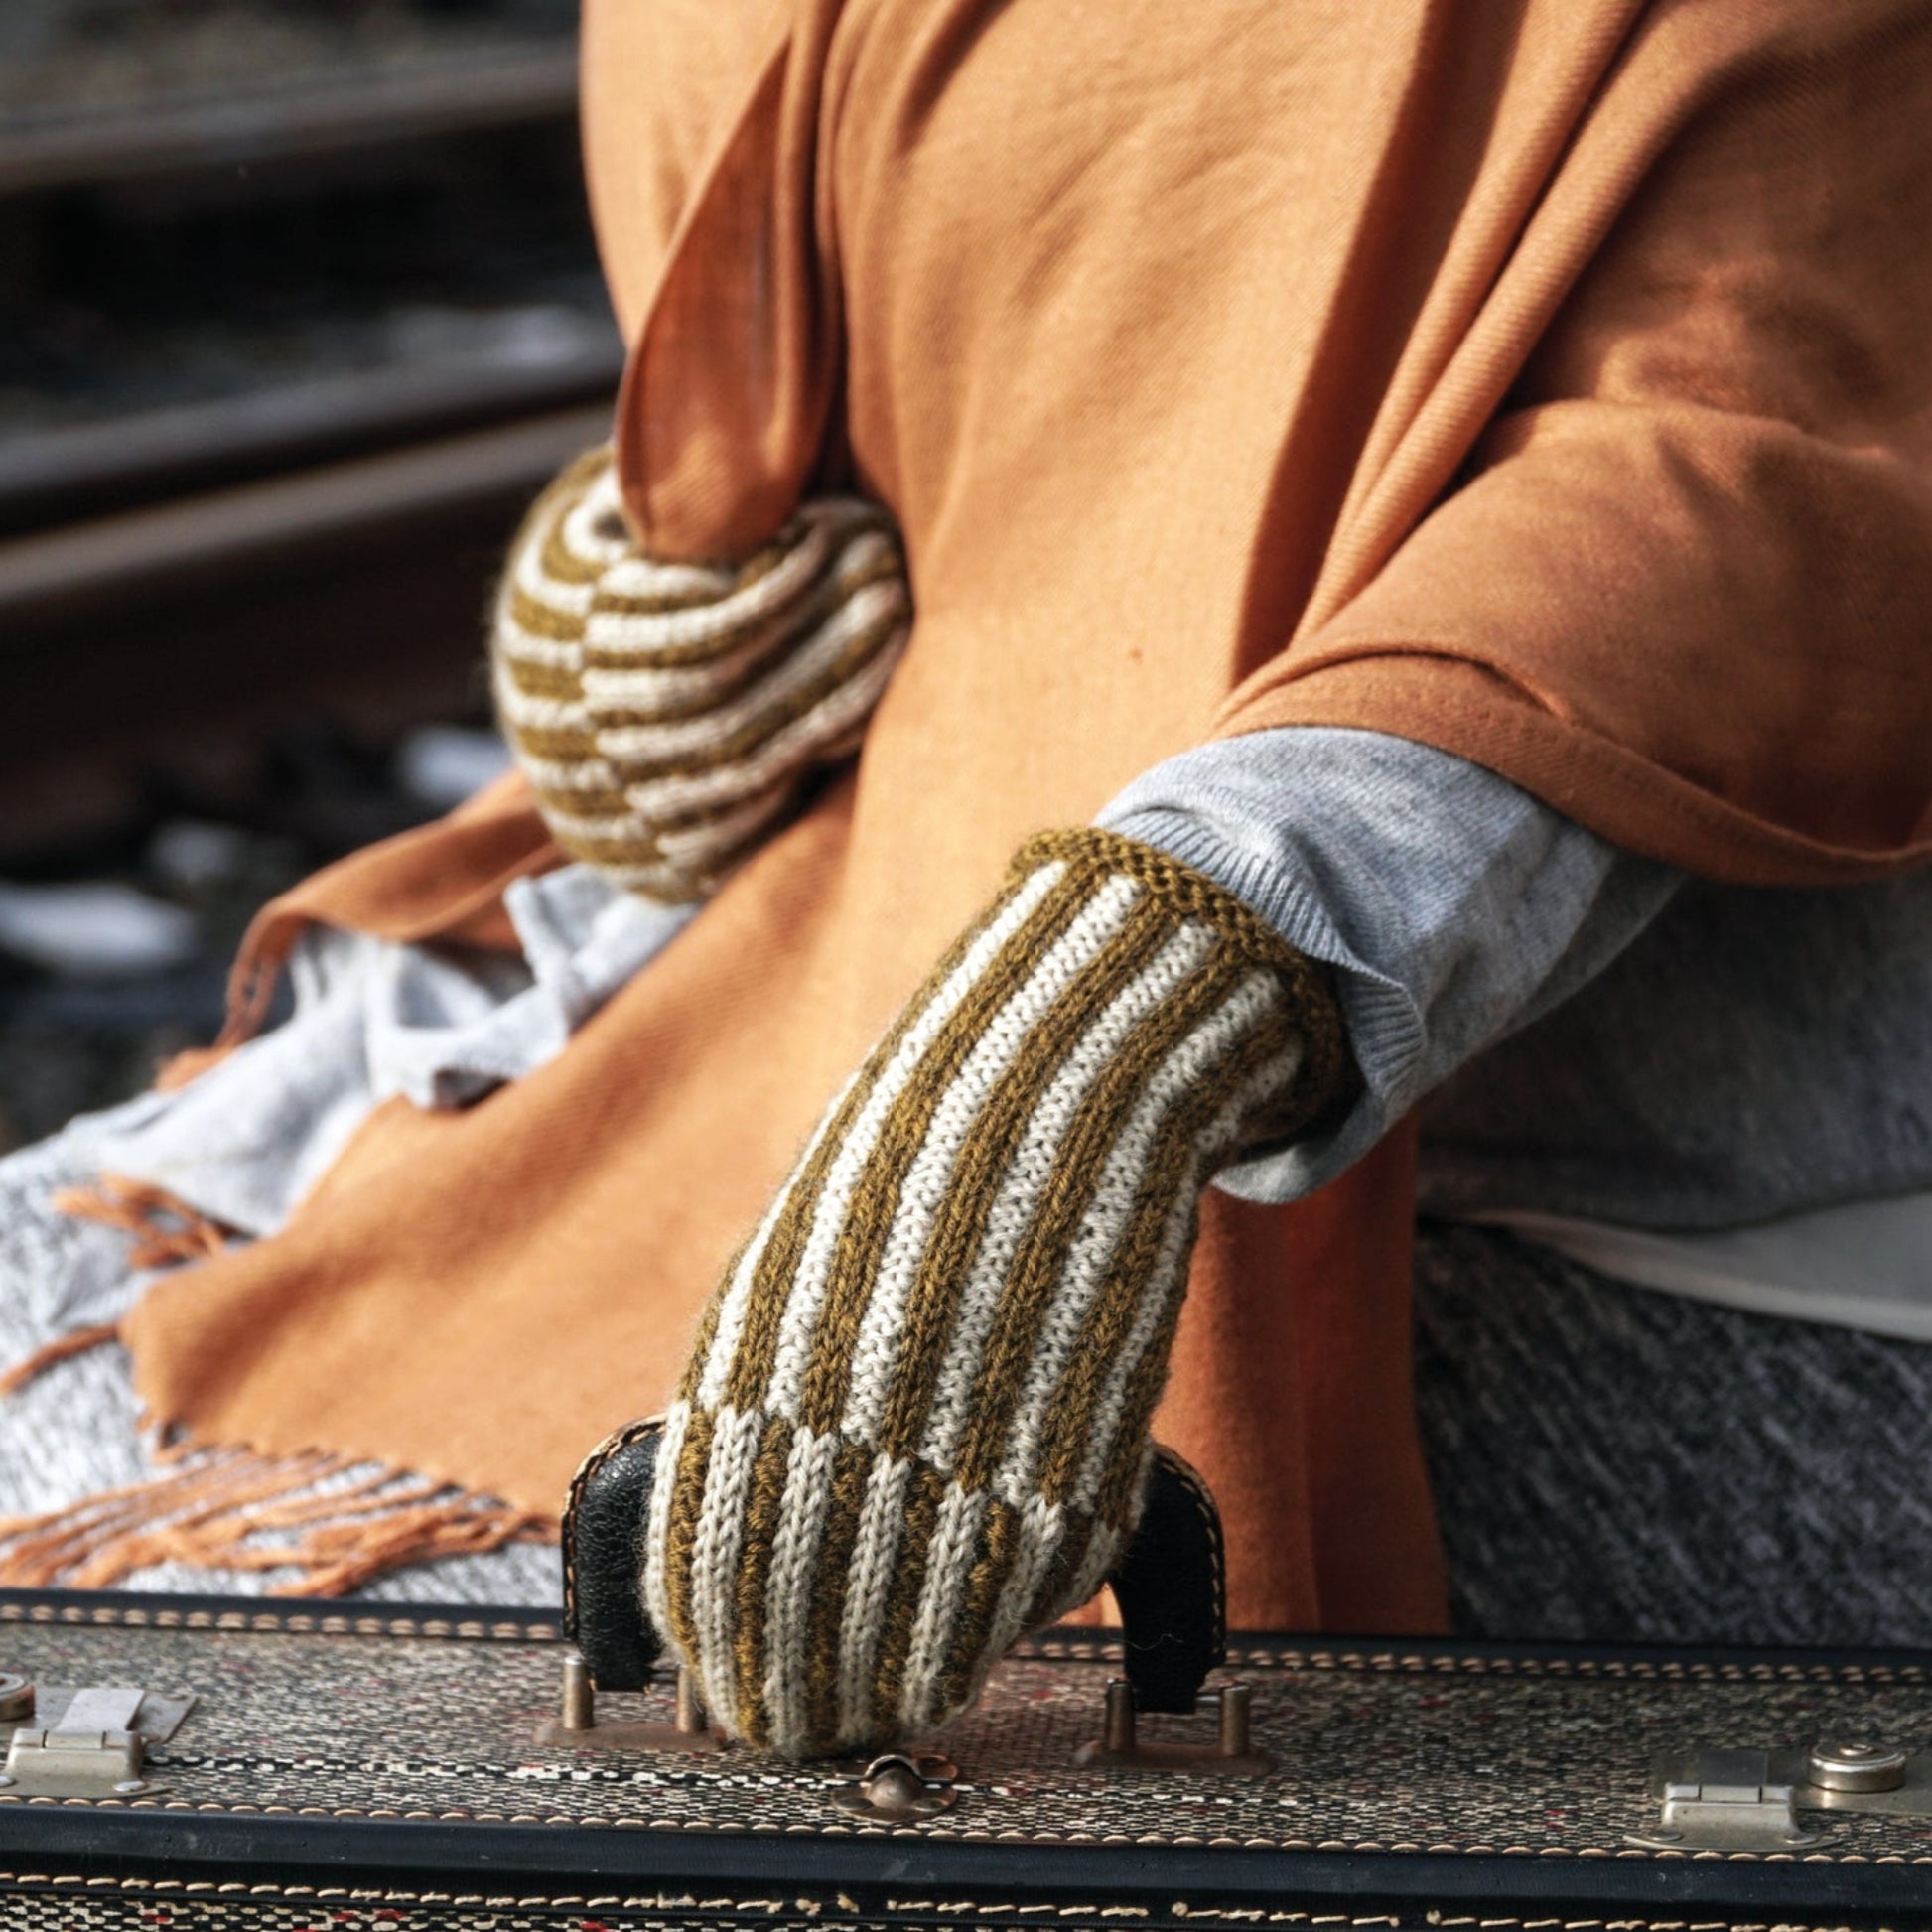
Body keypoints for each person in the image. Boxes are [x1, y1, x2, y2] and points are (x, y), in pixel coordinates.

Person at [2, 0, 1929, 1753]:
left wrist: (1166, 976)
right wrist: (639, 586)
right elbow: (895, 302)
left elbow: (1760, 438)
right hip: (802, 973)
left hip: (1599, 1191)